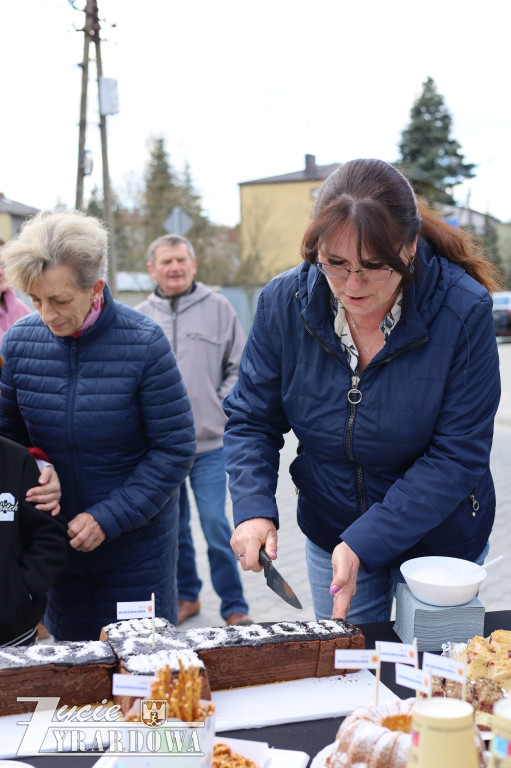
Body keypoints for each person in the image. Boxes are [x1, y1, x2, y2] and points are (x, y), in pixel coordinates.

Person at [224, 158, 502, 625]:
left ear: (409, 248)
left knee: (432, 675)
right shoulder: (282, 302)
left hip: (439, 538)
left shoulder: (463, 310)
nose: (352, 286)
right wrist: (252, 508)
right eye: (334, 264)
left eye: (374, 267)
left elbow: (457, 455)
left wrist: (366, 539)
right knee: (352, 671)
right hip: (332, 526)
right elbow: (253, 416)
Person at [0, 210, 196, 641]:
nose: (47, 314)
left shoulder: (144, 344)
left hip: (136, 550)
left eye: (60, 300)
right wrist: (36, 465)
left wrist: (108, 517)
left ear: (95, 289)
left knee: (140, 677)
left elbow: (175, 449)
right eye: (36, 299)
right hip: (59, 548)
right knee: (74, 675)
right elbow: (8, 439)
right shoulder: (18, 343)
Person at [136, 234, 251, 626]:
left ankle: (234, 605)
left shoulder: (219, 308)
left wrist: (220, 408)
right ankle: (187, 596)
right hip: (160, 450)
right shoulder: (139, 316)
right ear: (152, 269)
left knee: (216, 524)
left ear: (193, 264)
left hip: (209, 444)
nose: (174, 267)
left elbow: (239, 367)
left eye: (181, 260)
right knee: (174, 529)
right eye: (166, 261)